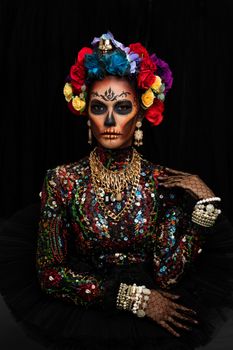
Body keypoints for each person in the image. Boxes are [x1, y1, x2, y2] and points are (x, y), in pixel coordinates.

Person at [0, 31, 233, 350]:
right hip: (87, 313)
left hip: (151, 316)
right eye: (99, 107)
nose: (110, 120)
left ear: (139, 115)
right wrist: (130, 298)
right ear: (86, 114)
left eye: (122, 107)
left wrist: (204, 209)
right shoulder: (63, 180)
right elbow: (50, 275)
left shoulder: (159, 182)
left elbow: (167, 275)